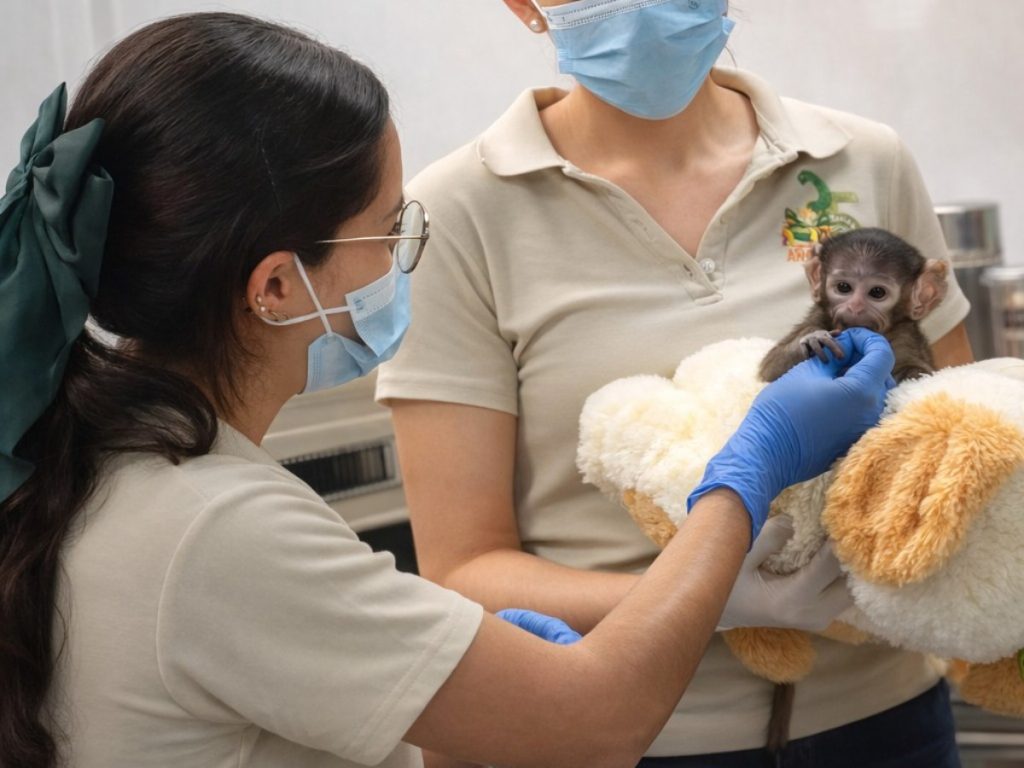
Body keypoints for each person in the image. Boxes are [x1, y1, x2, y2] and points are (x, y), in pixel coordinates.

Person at [0, 12, 896, 768]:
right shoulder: (215, 527)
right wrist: (748, 471)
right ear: (276, 286)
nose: (403, 257)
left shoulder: (104, 461)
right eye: (389, 228)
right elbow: (595, 721)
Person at [376, 1, 974, 766]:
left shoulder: (862, 158)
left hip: (887, 716)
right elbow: (463, 570)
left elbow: (957, 439)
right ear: (525, 6)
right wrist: (712, 598)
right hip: (630, 736)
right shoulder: (459, 212)